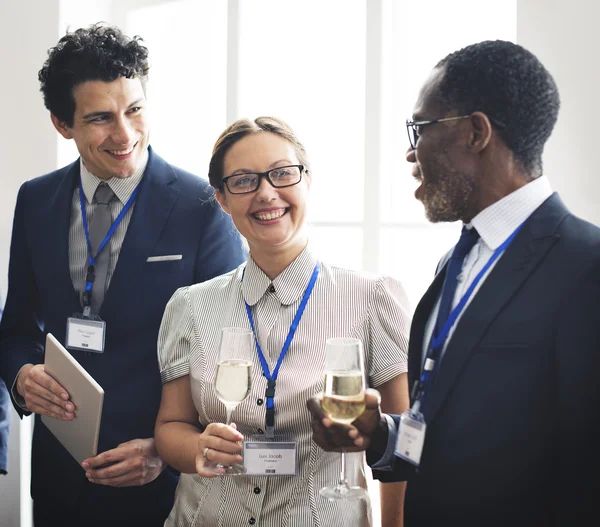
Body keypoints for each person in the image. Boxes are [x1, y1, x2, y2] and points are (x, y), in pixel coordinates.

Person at [308, 40, 600, 526]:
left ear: (475, 132)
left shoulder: (586, 269)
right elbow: (448, 432)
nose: (409, 151)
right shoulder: (455, 262)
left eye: (420, 129)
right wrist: (378, 434)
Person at [0, 23, 245, 527]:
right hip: (58, 480)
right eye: (100, 118)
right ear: (61, 124)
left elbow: (232, 355)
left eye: (134, 109)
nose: (126, 134)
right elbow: (17, 328)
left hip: (162, 488)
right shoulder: (35, 199)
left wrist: (165, 448)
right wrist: (22, 375)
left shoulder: (203, 207)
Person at [154, 116, 411, 526]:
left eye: (282, 174)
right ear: (221, 199)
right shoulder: (189, 305)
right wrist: (199, 447)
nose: (266, 193)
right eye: (243, 181)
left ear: (307, 180)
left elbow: (401, 447)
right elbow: (170, 426)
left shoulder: (373, 297)